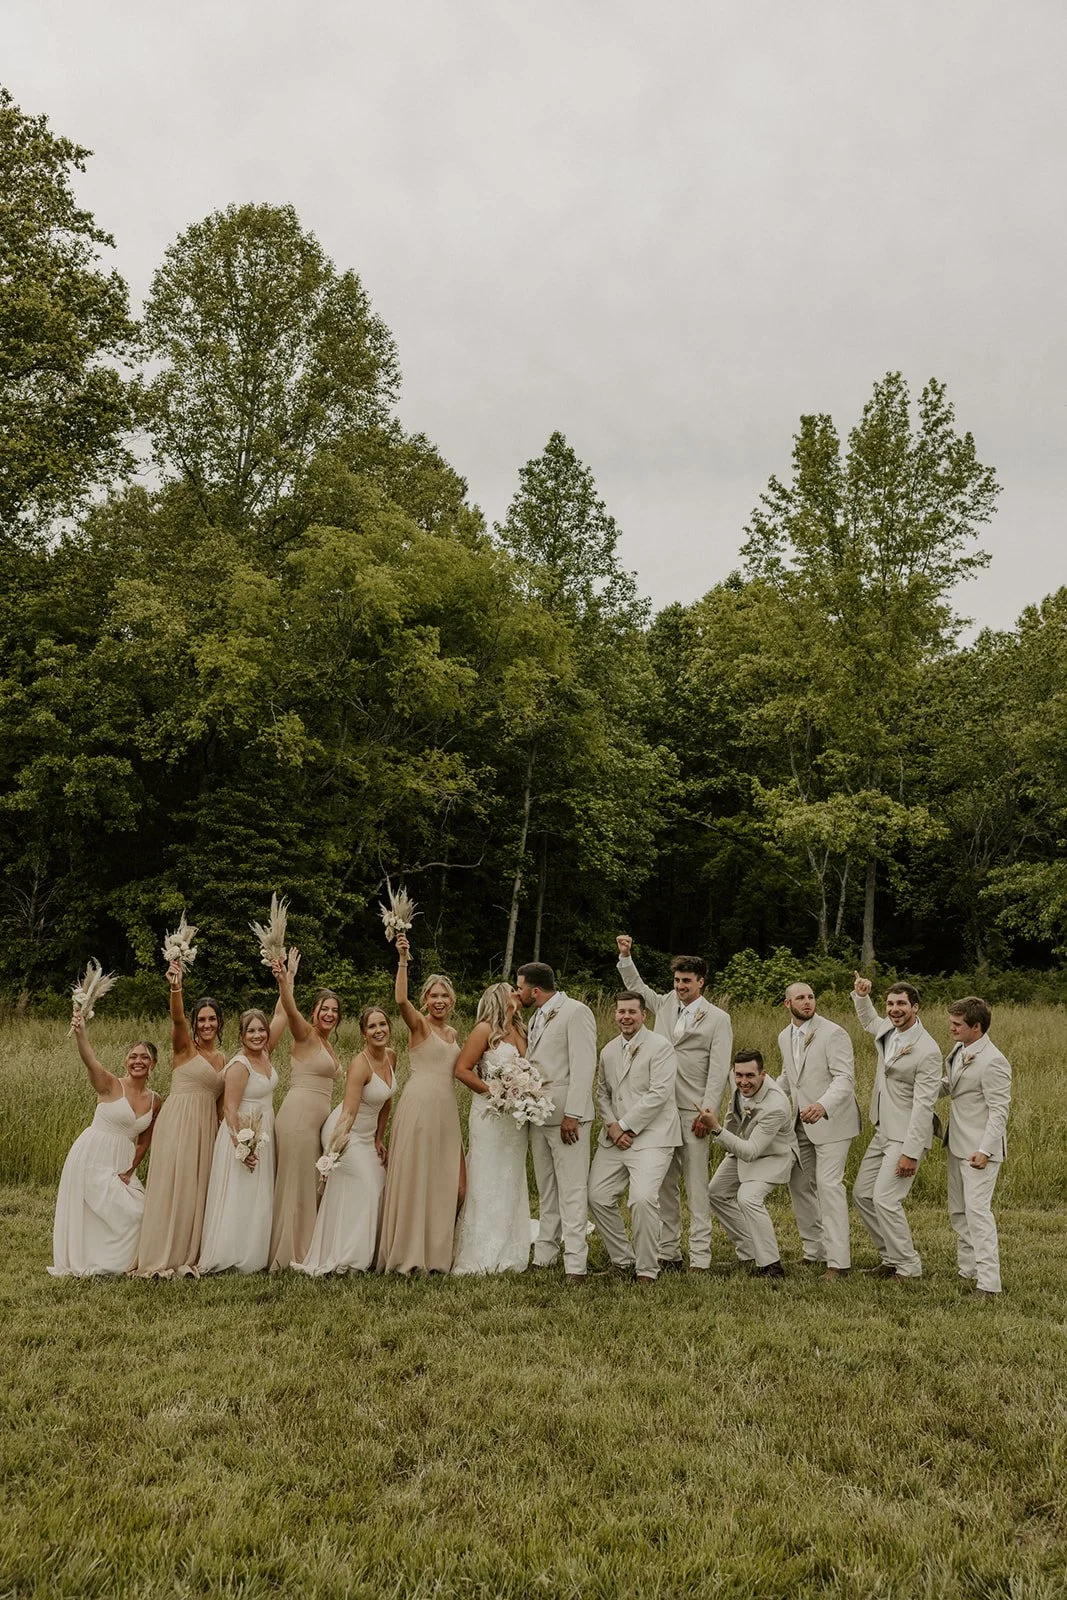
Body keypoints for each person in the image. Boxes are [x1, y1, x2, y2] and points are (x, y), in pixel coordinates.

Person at [615, 935, 732, 1272]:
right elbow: (636, 985)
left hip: (693, 1110)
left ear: (701, 982)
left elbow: (719, 1067)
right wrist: (626, 956)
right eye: (677, 980)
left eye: (686, 981)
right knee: (665, 1184)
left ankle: (701, 1257)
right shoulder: (664, 1003)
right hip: (660, 1110)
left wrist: (708, 1111)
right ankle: (669, 1253)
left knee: (697, 1186)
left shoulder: (717, 1018)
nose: (680, 986)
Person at [50, 1009, 160, 1277]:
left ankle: (119, 1261)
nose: (138, 1061)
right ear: (125, 1061)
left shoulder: (156, 1100)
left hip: (123, 1163)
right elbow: (91, 1062)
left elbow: (144, 1140)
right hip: (93, 1156)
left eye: (145, 1057)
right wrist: (81, 1033)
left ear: (154, 1064)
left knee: (141, 1211)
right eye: (133, 1056)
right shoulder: (111, 1085)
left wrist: (131, 1169)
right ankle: (101, 1261)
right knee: (115, 1212)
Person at [376, 933, 462, 1273]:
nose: (439, 1000)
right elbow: (399, 1000)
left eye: (444, 996)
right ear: (425, 1000)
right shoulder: (419, 1026)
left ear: (452, 1000)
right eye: (433, 995)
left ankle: (436, 1254)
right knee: (416, 1176)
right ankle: (409, 1255)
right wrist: (402, 959)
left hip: (447, 1110)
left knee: (447, 1182)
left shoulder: (454, 1034)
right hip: (419, 1106)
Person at [131, 969, 226, 1277]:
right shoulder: (184, 1048)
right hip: (178, 1122)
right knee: (174, 1185)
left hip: (206, 1126)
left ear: (220, 1023)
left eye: (212, 1019)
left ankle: (190, 1251)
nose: (207, 1024)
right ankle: (160, 1254)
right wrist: (177, 989)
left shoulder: (223, 1059)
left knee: (197, 1188)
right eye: (202, 1019)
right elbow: (177, 1020)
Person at [851, 975, 942, 1282]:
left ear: (915, 1007)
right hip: (883, 1128)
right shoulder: (889, 1029)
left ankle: (909, 1266)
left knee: (886, 1199)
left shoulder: (927, 1050)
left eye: (901, 1003)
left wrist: (911, 1153)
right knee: (863, 1194)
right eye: (890, 1003)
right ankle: (889, 1258)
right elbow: (868, 1022)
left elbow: (924, 1106)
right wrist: (861, 996)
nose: (894, 1009)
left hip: (906, 1135)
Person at [294, 1006, 395, 1276]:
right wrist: (333, 1151)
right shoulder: (359, 1065)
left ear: (389, 1027)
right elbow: (349, 1112)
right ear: (364, 1033)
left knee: (382, 1181)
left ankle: (371, 1253)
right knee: (368, 1184)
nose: (378, 1031)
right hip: (344, 1133)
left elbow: (386, 1101)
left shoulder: (391, 1057)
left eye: (382, 1024)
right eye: (372, 1027)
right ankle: (351, 1259)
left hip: (367, 1136)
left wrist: (379, 1137)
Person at [587, 992, 680, 1284]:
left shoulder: (661, 1047)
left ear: (644, 1015)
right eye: (620, 1012)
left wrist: (626, 1125)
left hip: (653, 1136)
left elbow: (659, 1093)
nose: (625, 1017)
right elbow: (603, 1092)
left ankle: (647, 1269)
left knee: (641, 1199)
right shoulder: (608, 1050)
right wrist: (613, 1126)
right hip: (614, 1137)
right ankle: (622, 1260)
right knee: (598, 1196)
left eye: (631, 1012)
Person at [517, 961, 597, 1284]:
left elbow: (584, 1065)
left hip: (567, 1118)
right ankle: (546, 1254)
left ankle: (576, 1264)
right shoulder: (535, 1016)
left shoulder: (575, 1012)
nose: (518, 991)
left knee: (573, 1190)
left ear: (534, 989)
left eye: (520, 986)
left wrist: (573, 1114)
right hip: (540, 1117)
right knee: (547, 1189)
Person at [777, 981, 860, 1281]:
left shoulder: (834, 1033)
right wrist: (762, 1095)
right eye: (800, 997)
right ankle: (815, 1251)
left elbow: (844, 1079)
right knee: (798, 1183)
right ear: (788, 1004)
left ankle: (839, 1263)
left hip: (833, 1122)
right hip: (800, 1124)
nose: (808, 1001)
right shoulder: (784, 1036)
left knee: (828, 1186)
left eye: (811, 996)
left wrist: (823, 1106)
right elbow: (789, 1078)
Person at [267, 954, 342, 1271]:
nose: (329, 1014)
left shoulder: (327, 1044)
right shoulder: (306, 1034)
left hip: (316, 1125)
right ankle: (288, 1254)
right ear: (314, 1013)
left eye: (334, 1011)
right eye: (324, 1009)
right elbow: (288, 1008)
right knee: (295, 1185)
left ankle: (307, 1248)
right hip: (297, 1119)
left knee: (309, 1184)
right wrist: (287, 980)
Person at [452, 982, 532, 1276]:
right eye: (512, 989)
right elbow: (461, 1069)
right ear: (500, 998)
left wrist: (526, 1093)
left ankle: (511, 1244)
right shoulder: (484, 1030)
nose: (518, 993)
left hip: (515, 1119)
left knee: (511, 1176)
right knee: (487, 1175)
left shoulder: (521, 1031)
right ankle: (481, 1249)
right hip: (490, 1114)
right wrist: (494, 1092)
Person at [701, 1050, 795, 1281]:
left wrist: (716, 1130)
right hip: (743, 1149)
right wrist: (725, 1136)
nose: (744, 1082)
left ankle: (771, 1266)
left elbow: (752, 1152)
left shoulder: (775, 1105)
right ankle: (749, 1251)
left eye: (750, 1076)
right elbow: (733, 1118)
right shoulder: (739, 1084)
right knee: (716, 1192)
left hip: (773, 1156)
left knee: (748, 1197)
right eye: (739, 1075)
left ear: (763, 1074)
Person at [941, 996, 1012, 1300]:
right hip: (956, 1143)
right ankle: (968, 1268)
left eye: (957, 1024)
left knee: (978, 1214)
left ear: (976, 1027)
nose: (951, 1028)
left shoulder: (994, 1060)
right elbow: (952, 1084)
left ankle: (989, 1284)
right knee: (958, 1212)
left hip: (979, 1151)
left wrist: (985, 1150)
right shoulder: (960, 1048)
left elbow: (999, 1111)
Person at [197, 1009, 278, 1274]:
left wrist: (285, 979)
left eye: (262, 1030)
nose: (258, 1035)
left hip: (264, 1128)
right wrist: (242, 1147)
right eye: (251, 1031)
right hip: (243, 1132)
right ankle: (230, 1253)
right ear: (241, 1036)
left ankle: (253, 1251)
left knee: (257, 1193)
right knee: (239, 1192)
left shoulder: (265, 1056)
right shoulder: (240, 1065)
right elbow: (229, 1109)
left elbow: (282, 1015)